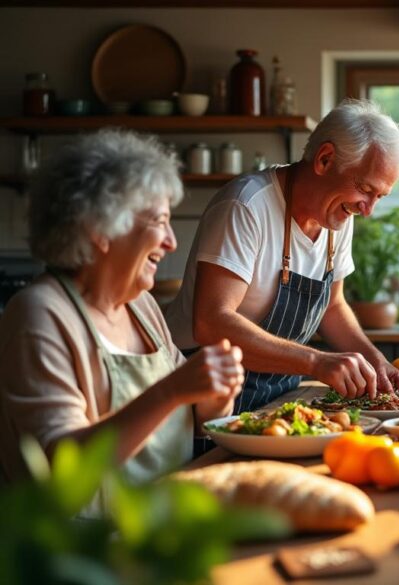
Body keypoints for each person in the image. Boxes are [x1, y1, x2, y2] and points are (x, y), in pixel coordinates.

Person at [0, 130, 244, 514]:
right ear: (101, 230)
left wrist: (215, 396)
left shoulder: (142, 307)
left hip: (158, 528)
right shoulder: (39, 315)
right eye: (160, 221)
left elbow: (193, 416)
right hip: (81, 555)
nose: (171, 242)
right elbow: (64, 472)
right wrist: (171, 390)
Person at [165, 99, 399, 413]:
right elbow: (211, 322)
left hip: (276, 395)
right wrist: (316, 361)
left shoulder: (337, 217)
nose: (368, 210)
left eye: (379, 196)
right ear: (325, 160)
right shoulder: (246, 205)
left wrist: (376, 363)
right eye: (365, 189)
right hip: (204, 393)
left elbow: (333, 307)